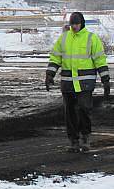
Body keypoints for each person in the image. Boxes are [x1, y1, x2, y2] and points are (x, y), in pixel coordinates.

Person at [46, 12, 110, 152]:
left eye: (76, 24)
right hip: (68, 83)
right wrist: (50, 74)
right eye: (72, 24)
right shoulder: (63, 39)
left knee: (84, 109)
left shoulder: (91, 39)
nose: (74, 26)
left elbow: (99, 60)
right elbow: (55, 58)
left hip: (85, 83)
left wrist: (105, 79)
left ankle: (85, 137)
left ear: (81, 24)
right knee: (70, 112)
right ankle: (73, 140)